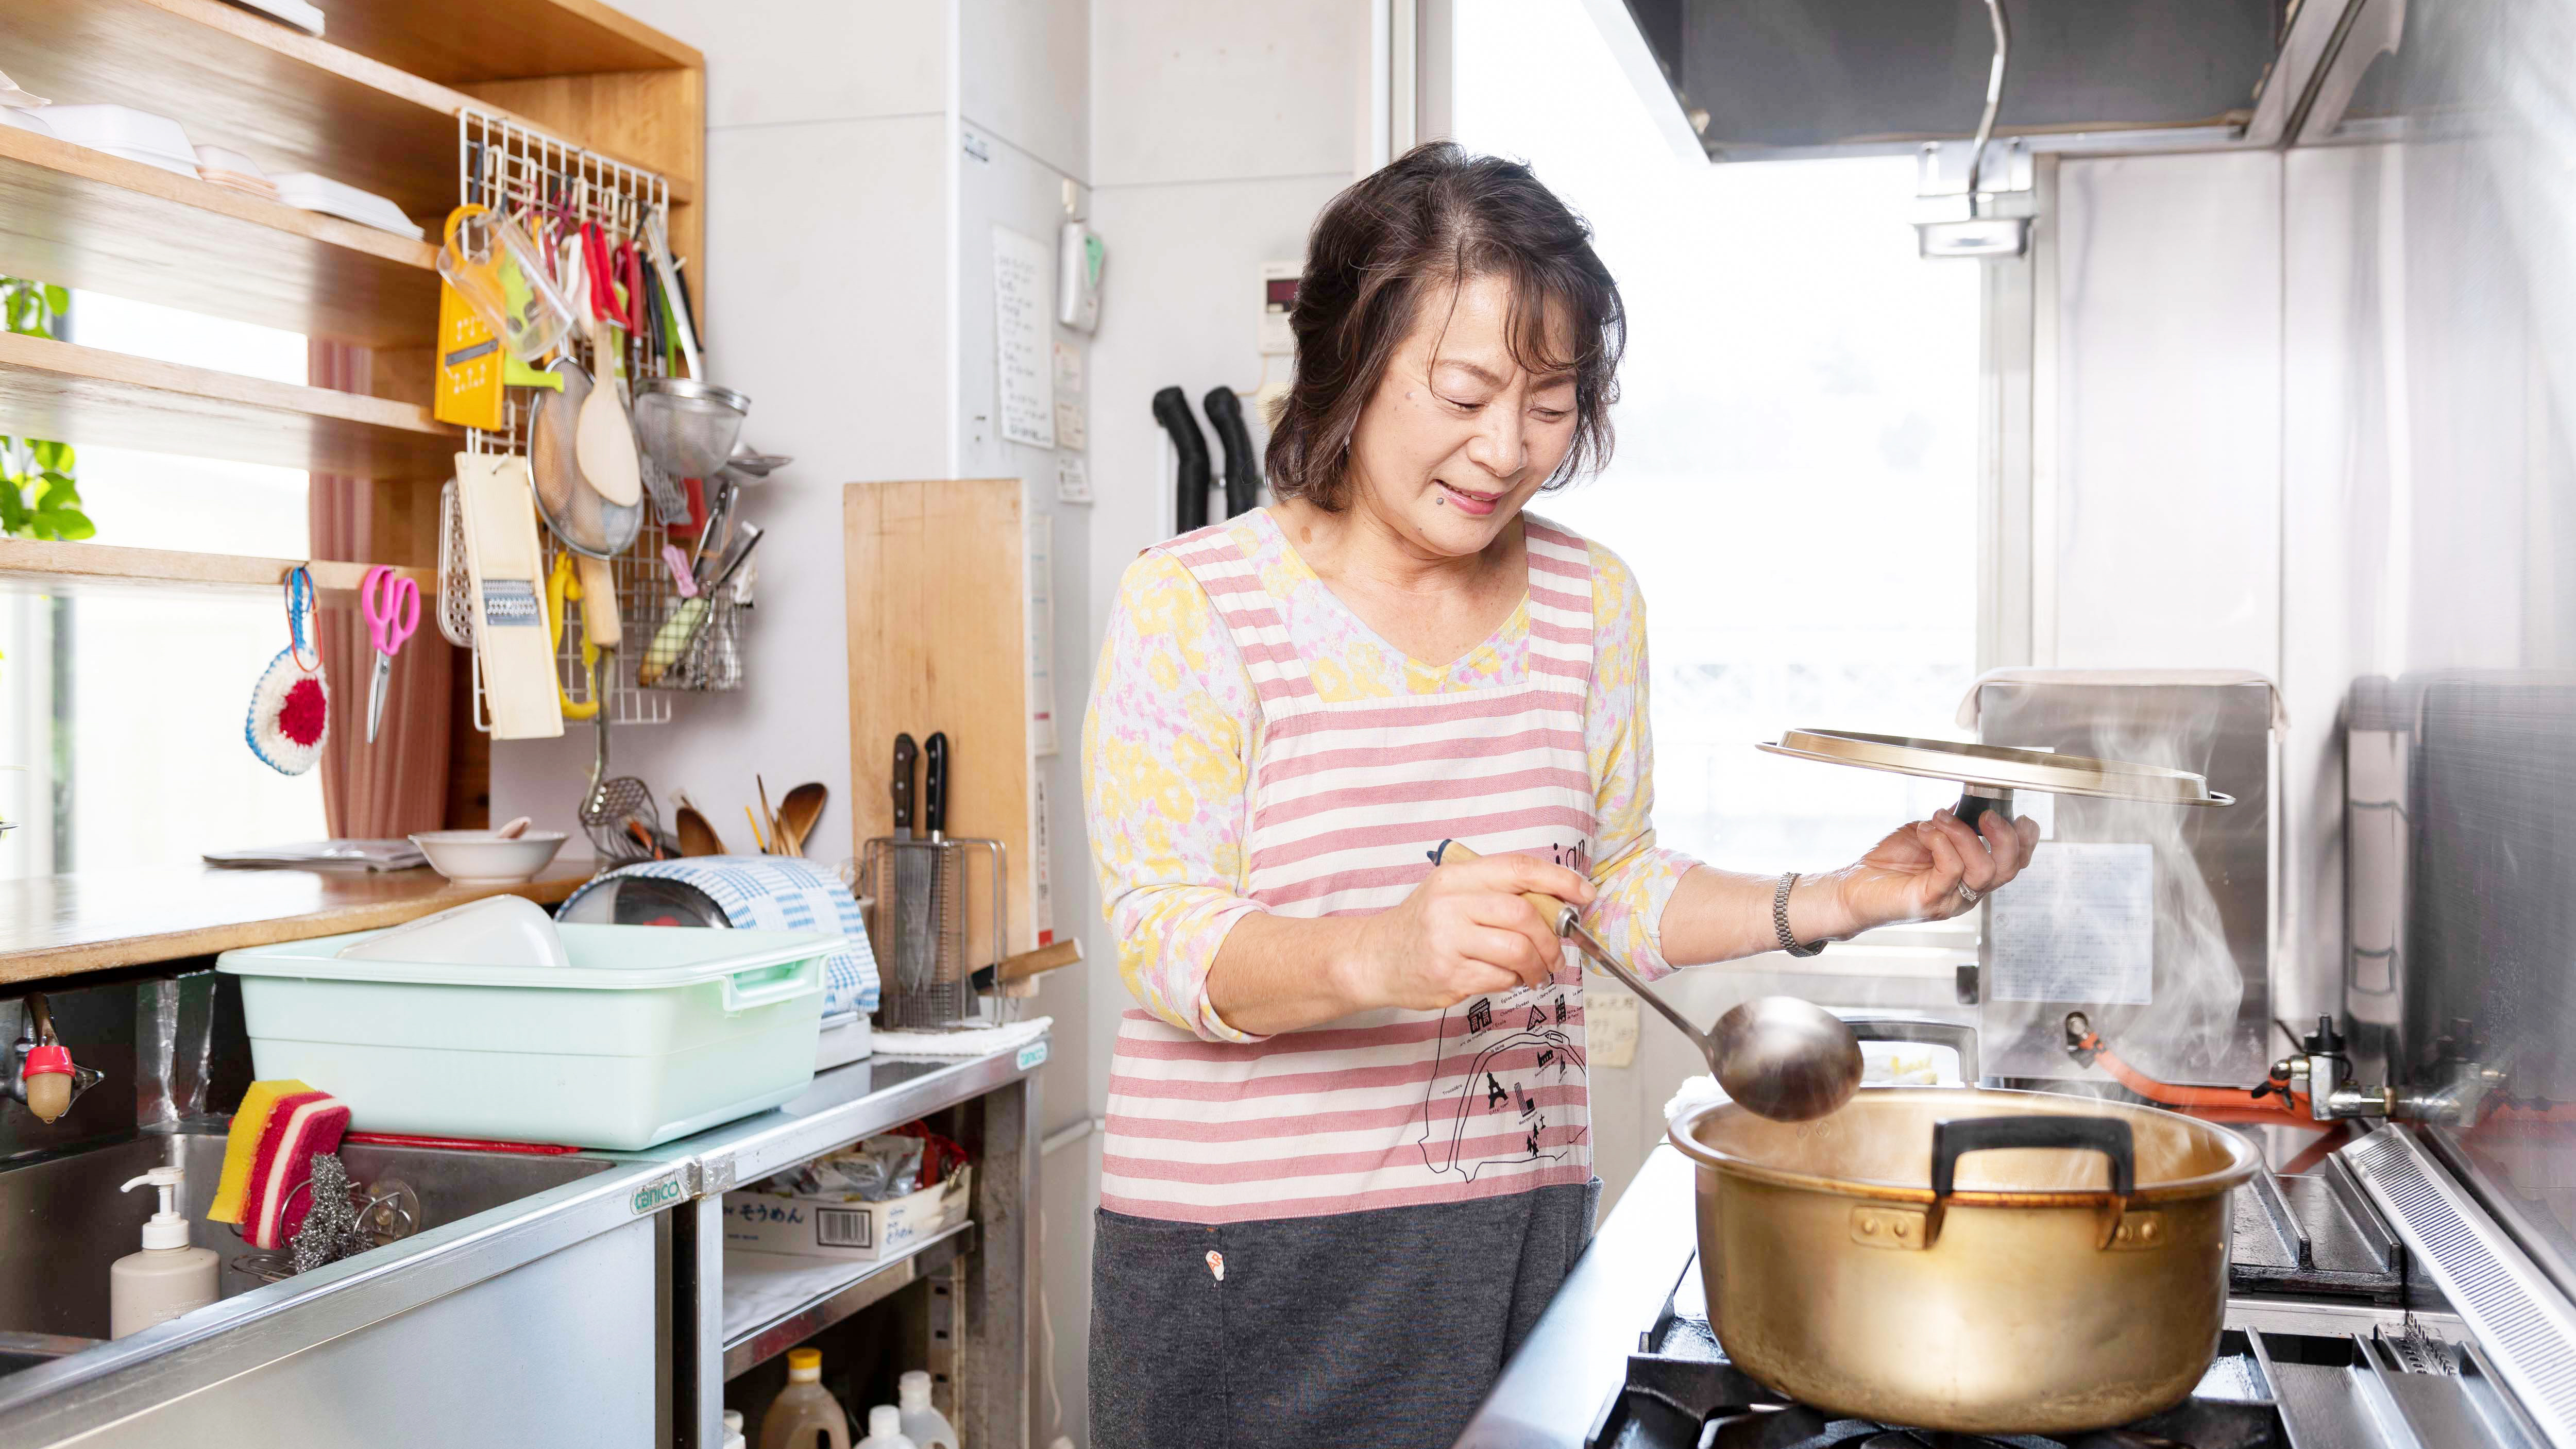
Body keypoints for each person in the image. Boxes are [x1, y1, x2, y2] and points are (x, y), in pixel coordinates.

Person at [1079, 141, 2039, 1449]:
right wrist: (1385, 946)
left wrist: (1840, 897)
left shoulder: (1591, 600)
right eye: (1467, 392)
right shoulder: (1195, 602)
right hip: (1247, 1261)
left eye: (1549, 402)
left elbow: (1615, 887)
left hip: (1509, 1234)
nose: (1506, 449)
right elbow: (1164, 939)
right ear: (1348, 368)